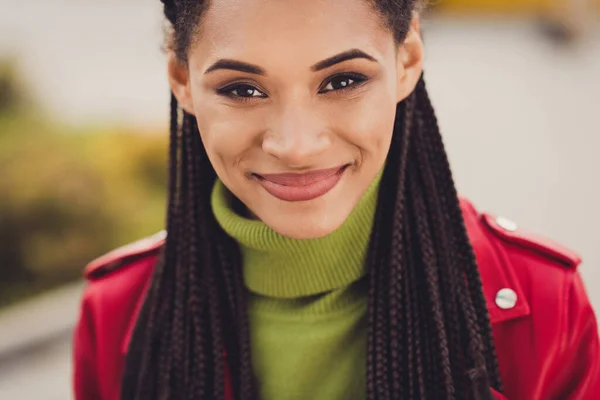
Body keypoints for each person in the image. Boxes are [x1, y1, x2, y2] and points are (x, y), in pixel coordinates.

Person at [72, 0, 600, 399]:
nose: (297, 146)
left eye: (343, 80)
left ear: (408, 59)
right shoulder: (117, 313)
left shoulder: (543, 303)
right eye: (241, 89)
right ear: (181, 80)